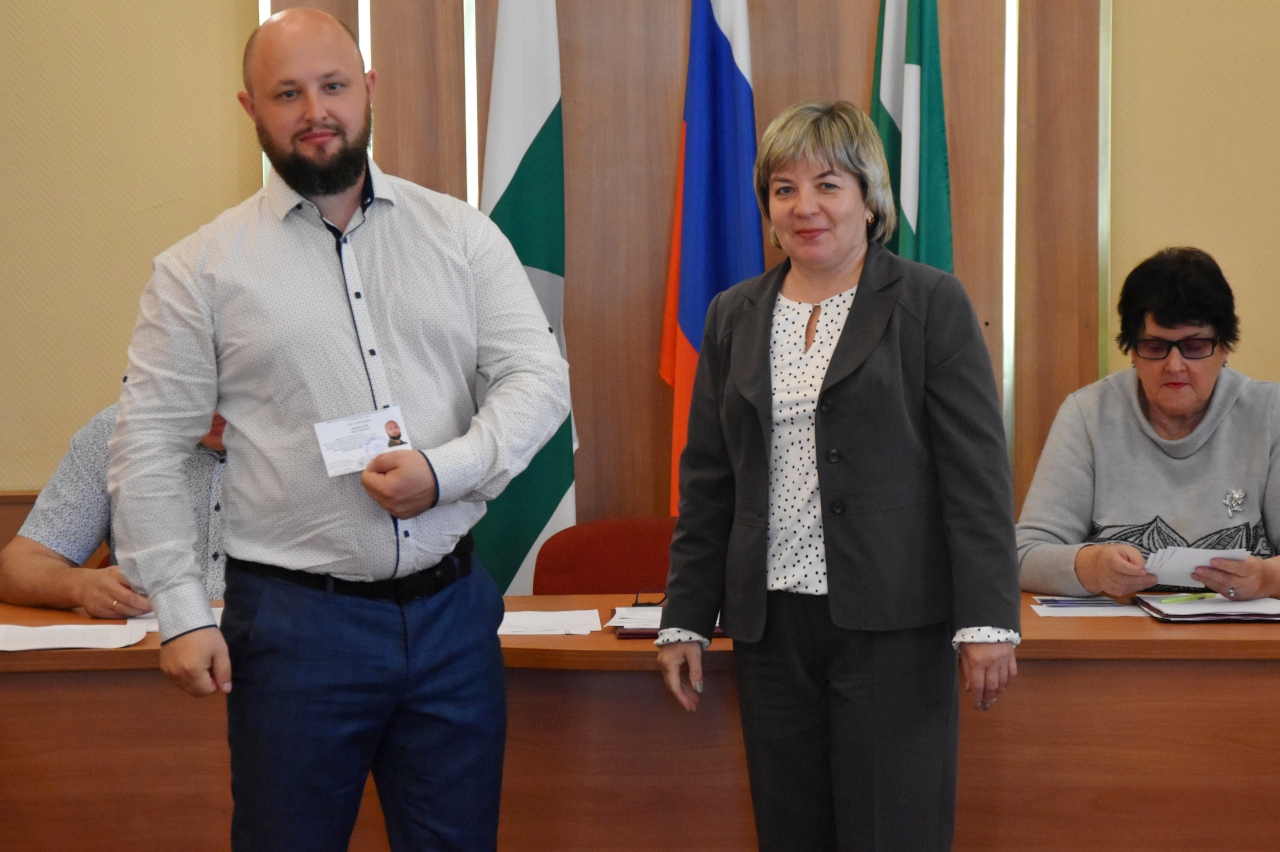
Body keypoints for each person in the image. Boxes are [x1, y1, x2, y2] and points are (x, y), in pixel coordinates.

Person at [107, 9, 570, 851]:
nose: (316, 110)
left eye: (333, 86)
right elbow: (149, 448)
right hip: (294, 631)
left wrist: (448, 469)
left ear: (368, 90)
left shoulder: (460, 235)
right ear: (251, 108)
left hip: (452, 619)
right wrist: (179, 609)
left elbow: (539, 378)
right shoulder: (197, 271)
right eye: (288, 93)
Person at [656, 100, 1021, 851]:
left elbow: (975, 476)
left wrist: (987, 619)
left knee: (892, 831)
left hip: (893, 623)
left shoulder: (929, 302)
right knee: (791, 832)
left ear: (869, 197)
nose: (805, 206)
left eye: (827, 184)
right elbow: (710, 481)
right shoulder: (733, 315)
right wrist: (685, 615)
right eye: (784, 189)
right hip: (770, 626)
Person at [1018, 247, 1280, 601]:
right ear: (1131, 350)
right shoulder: (1088, 413)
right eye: (1156, 347)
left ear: (1224, 348)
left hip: (1240, 631)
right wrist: (1092, 567)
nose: (1175, 365)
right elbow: (1024, 554)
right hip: (1114, 633)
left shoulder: (1270, 413)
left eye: (1194, 346)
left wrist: (1266, 579)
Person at [0, 406, 227, 617]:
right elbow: (16, 567)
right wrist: (81, 586)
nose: (215, 409)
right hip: (147, 642)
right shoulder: (118, 431)